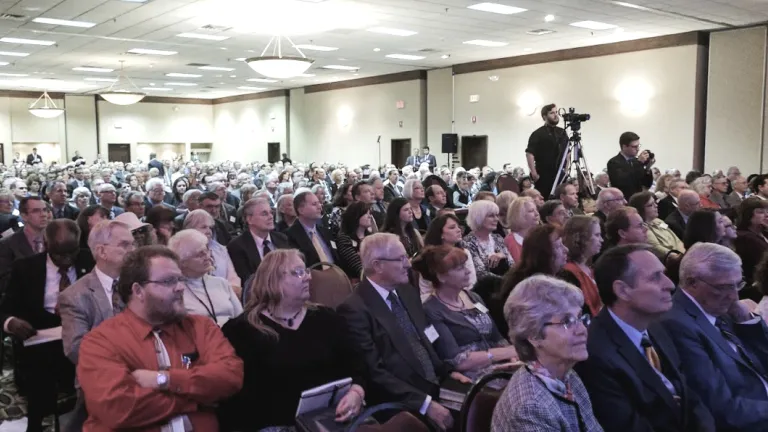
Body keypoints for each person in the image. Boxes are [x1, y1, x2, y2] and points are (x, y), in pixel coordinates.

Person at [77, 245, 243, 430]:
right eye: (169, 281)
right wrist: (197, 402)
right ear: (138, 291)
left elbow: (230, 377)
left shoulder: (200, 327)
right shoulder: (101, 341)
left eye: (180, 279)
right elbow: (118, 409)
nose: (180, 287)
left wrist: (164, 380)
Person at [219, 249, 366, 430]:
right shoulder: (242, 331)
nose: (308, 278)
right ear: (273, 280)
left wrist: (356, 392)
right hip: (276, 425)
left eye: (306, 271)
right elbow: (237, 401)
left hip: (335, 418)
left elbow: (357, 364)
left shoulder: (326, 318)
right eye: (298, 272)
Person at [575, 244, 715, 432]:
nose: (670, 284)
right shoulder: (595, 355)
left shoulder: (656, 325)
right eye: (655, 277)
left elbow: (690, 396)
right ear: (623, 291)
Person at [336, 233, 457, 430]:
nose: (408, 264)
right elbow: (375, 373)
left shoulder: (406, 290)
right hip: (401, 399)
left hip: (436, 384)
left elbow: (425, 338)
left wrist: (448, 372)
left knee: (483, 401)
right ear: (378, 266)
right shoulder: (354, 309)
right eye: (400, 259)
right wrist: (425, 404)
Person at [657, 243, 768, 431]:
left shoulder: (721, 308)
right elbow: (723, 408)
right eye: (724, 287)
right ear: (693, 282)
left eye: (738, 285)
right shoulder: (677, 324)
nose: (734, 296)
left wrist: (746, 321)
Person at [1, 219, 95, 432]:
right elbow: (5, 308)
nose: (66, 259)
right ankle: (37, 423)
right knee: (39, 379)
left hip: (84, 337)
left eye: (71, 252)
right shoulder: (26, 268)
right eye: (59, 254)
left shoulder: (90, 262)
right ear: (46, 245)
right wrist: (11, 322)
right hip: (39, 338)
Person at [492, 275, 602, 432]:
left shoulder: (568, 376)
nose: (582, 330)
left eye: (579, 318)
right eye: (567, 322)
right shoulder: (530, 407)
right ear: (534, 336)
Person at [59, 220, 136, 432]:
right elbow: (76, 349)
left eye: (133, 244)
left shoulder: (140, 285)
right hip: (101, 380)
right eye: (125, 245)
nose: (133, 250)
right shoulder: (75, 296)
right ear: (102, 251)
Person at [414, 245, 517, 381]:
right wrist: (504, 353)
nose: (468, 271)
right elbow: (456, 360)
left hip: (501, 367)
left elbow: (496, 337)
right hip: (471, 377)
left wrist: (512, 357)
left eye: (465, 265)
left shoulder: (474, 297)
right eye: (460, 268)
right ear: (441, 277)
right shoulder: (431, 310)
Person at [493, 225, 568, 336]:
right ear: (543, 253)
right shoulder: (525, 286)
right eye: (558, 247)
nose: (566, 250)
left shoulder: (558, 276)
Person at [168, 230, 242, 326]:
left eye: (206, 250)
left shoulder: (221, 283)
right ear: (183, 262)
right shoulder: (176, 291)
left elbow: (241, 317)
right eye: (200, 254)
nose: (207, 256)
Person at [227, 197, 291, 285]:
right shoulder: (237, 246)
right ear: (249, 219)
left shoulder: (282, 238)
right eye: (264, 214)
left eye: (271, 213)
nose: (270, 217)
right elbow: (247, 281)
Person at [182, 209, 241, 294]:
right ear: (189, 229)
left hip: (226, 295)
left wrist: (226, 294)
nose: (209, 231)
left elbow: (233, 278)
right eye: (204, 227)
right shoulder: (182, 251)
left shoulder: (221, 249)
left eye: (210, 227)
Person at [420, 214, 477, 300]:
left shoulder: (465, 253)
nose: (458, 230)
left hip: (465, 298)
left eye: (458, 227)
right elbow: (425, 292)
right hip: (436, 304)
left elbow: (471, 282)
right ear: (441, 234)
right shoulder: (429, 258)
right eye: (452, 227)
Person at [559, 215, 604, 318]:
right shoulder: (568, 273)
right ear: (581, 238)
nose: (601, 240)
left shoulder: (589, 267)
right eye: (597, 235)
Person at [526, 104, 569, 199]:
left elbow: (567, 152)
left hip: (560, 173)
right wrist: (534, 173)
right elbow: (530, 153)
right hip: (544, 175)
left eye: (556, 112)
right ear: (544, 116)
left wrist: (566, 169)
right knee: (545, 201)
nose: (555, 115)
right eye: (552, 113)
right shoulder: (537, 134)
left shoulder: (562, 132)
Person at [286, 190, 338, 267]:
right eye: (314, 204)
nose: (320, 206)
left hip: (336, 272)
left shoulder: (324, 230)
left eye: (319, 203)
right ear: (301, 210)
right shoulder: (290, 236)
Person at [629, 191, 684, 256]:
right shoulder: (643, 229)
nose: (656, 206)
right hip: (670, 259)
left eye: (655, 202)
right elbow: (657, 248)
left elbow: (675, 238)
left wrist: (684, 251)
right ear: (640, 209)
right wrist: (678, 256)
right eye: (650, 205)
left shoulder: (659, 221)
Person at [734, 197, 768, 298]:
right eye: (760, 212)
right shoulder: (745, 237)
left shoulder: (763, 232)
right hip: (758, 287)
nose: (766, 215)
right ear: (748, 215)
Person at [607, 132, 654, 199]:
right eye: (634, 146)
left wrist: (647, 168)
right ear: (624, 146)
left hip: (638, 199)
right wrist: (639, 163)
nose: (638, 149)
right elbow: (622, 181)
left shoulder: (636, 161)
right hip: (624, 200)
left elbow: (646, 184)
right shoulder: (614, 162)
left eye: (639, 145)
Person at [336, 201, 374, 279]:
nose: (370, 216)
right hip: (357, 280)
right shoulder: (344, 238)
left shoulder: (371, 237)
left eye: (370, 213)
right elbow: (358, 267)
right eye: (366, 214)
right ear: (356, 216)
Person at [504, 196, 540, 263]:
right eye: (531, 211)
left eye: (536, 210)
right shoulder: (510, 241)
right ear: (519, 215)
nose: (537, 214)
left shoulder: (540, 236)